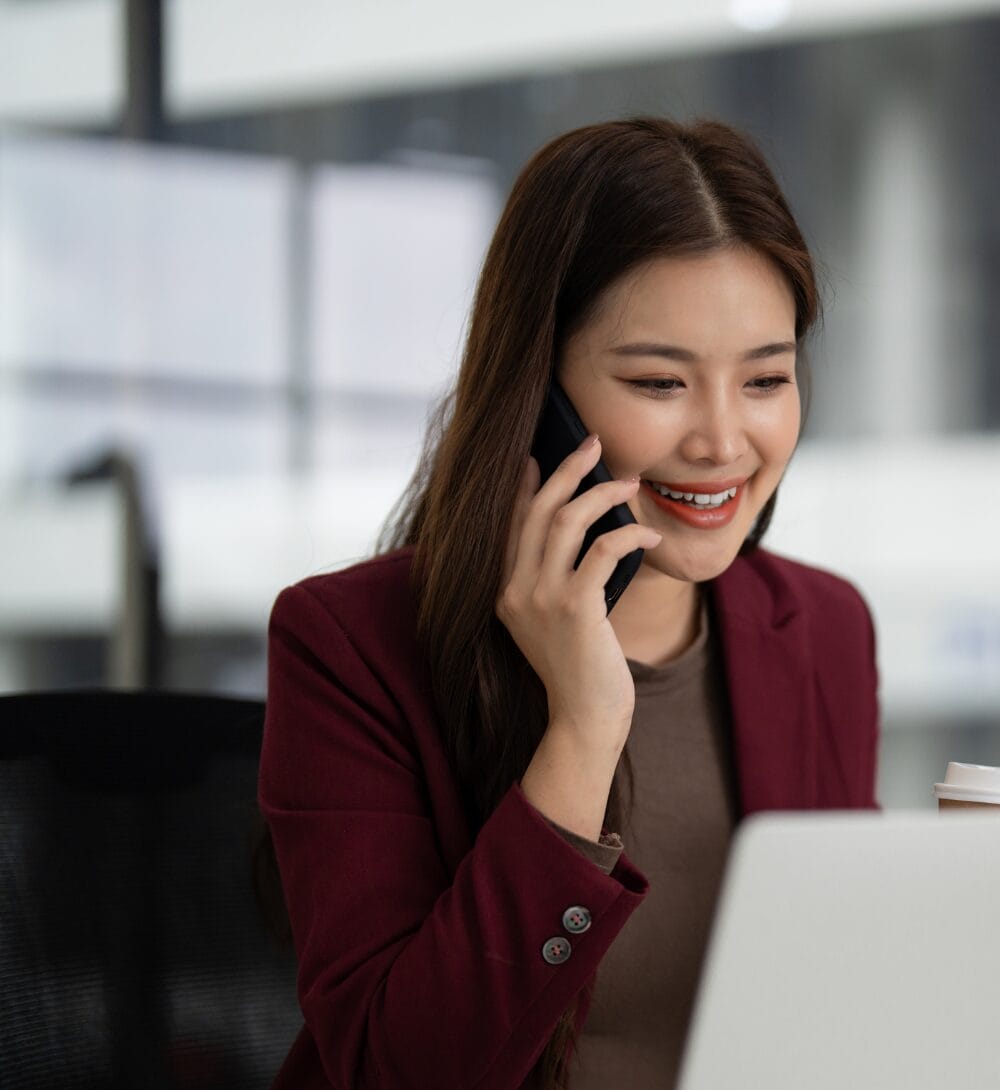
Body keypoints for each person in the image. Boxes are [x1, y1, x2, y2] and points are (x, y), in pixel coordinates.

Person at [258, 117, 881, 1090]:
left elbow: (836, 1011)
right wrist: (584, 728)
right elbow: (397, 1072)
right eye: (659, 381)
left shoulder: (823, 628)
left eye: (766, 378)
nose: (724, 440)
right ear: (539, 392)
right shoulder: (350, 646)